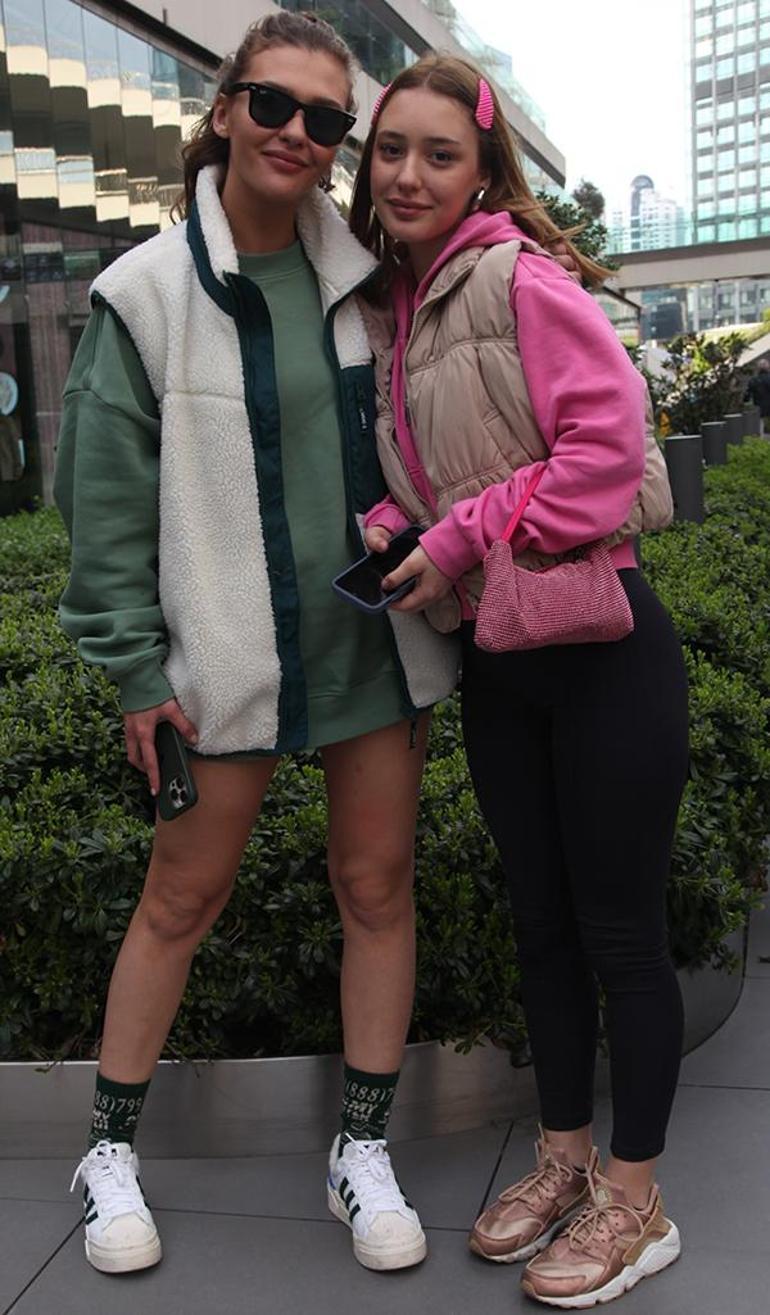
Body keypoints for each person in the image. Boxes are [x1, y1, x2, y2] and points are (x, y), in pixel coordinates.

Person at [54, 11, 460, 1278]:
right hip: (225, 656)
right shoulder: (144, 294)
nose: (296, 132)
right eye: (272, 104)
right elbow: (103, 506)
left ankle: (360, 1145)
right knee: (180, 898)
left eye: (324, 119)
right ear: (225, 109)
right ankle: (107, 1150)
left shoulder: (374, 281)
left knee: (376, 889)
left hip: (373, 650)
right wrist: (134, 670)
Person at [351, 54, 690, 1309]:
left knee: (618, 933)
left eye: (439, 154)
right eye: (391, 149)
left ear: (481, 173)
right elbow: (463, 471)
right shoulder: (400, 305)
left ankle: (637, 1203)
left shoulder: (517, 279)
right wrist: (402, 524)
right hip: (503, 656)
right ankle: (563, 1160)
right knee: (538, 925)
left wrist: (454, 535)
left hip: (600, 650)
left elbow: (608, 455)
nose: (408, 173)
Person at [745, 357, 770, 435]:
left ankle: (761, 439)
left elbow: (747, 394)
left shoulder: (753, 380)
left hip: (758, 407)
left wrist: (745, 401)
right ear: (768, 367)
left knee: (759, 427)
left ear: (758, 368)